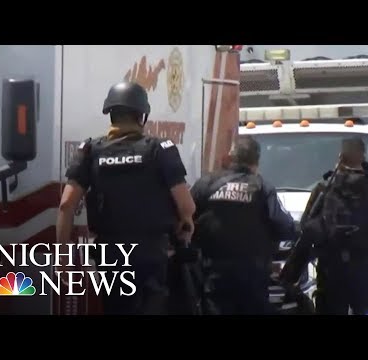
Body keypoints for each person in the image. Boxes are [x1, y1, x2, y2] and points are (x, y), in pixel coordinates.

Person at [56, 81, 195, 315]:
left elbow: (66, 205)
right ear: (142, 116)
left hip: (110, 254)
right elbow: (186, 206)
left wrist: (63, 258)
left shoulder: (90, 150)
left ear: (110, 114)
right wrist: (185, 229)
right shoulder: (160, 149)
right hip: (151, 253)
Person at [280, 137, 368, 315]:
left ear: (340, 157)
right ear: (363, 157)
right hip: (364, 274)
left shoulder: (324, 189)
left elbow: (307, 232)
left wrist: (290, 275)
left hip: (330, 275)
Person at [190, 136, 298, 315]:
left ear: (231, 158)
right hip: (252, 276)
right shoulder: (263, 187)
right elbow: (283, 226)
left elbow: (186, 218)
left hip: (214, 273)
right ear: (256, 162)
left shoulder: (206, 184)